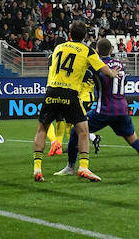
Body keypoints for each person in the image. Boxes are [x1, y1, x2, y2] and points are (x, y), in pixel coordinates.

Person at [57, 39, 139, 176]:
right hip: (122, 110)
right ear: (111, 50)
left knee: (76, 131)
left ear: (97, 50)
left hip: (104, 111)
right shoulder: (120, 64)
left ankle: (70, 167)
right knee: (134, 141)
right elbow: (124, 81)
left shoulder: (96, 65)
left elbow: (83, 75)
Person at [32, 21, 117, 181]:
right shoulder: (87, 50)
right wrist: (113, 73)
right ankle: (83, 167)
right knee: (83, 131)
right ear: (85, 36)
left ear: (69, 35)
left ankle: (37, 168)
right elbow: (103, 69)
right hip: (70, 93)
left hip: (51, 91)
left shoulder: (59, 47)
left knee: (42, 129)